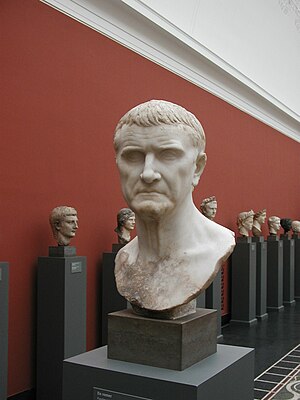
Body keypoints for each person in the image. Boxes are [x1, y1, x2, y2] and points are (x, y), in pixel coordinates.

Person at [113, 99, 235, 319]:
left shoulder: (215, 247)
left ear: (197, 168)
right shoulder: (124, 259)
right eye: (132, 156)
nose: (148, 173)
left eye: (168, 155)